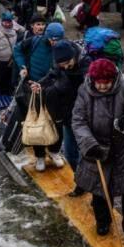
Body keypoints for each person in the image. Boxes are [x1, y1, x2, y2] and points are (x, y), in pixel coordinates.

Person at [72, 58, 124, 244]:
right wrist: (90, 145)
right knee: (100, 190)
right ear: (93, 80)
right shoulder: (84, 91)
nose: (103, 87)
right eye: (99, 83)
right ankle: (103, 222)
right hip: (98, 148)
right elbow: (78, 121)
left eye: (107, 83)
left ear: (114, 79)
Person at [34, 39, 92, 196]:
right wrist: (40, 84)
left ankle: (85, 184)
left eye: (68, 62)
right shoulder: (59, 64)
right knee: (69, 153)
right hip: (67, 115)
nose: (65, 67)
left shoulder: (86, 65)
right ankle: (80, 181)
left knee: (85, 155)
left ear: (74, 56)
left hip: (83, 117)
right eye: (62, 64)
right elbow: (52, 74)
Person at [14, 19, 66, 171]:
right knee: (36, 121)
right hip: (34, 88)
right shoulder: (34, 41)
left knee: (57, 121)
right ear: (46, 36)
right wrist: (22, 66)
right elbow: (17, 50)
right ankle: (40, 156)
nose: (54, 43)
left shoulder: (63, 47)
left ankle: (55, 151)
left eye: (58, 40)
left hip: (54, 90)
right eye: (52, 40)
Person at [0, 12, 25, 95]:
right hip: (0, 59)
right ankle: (2, 92)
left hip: (12, 59)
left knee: (10, 77)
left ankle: (9, 92)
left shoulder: (16, 27)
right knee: (1, 77)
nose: (7, 24)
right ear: (2, 21)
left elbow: (23, 31)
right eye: (5, 22)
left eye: (9, 22)